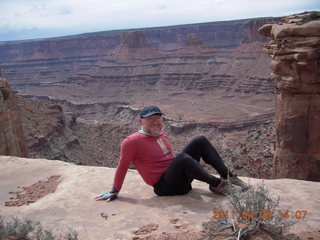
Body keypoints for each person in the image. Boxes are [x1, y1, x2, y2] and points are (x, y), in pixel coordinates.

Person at [95, 105, 250, 201]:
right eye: (151, 120)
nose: (156, 122)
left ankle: (229, 177)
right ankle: (218, 185)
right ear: (140, 122)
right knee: (182, 158)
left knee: (199, 140)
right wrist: (115, 190)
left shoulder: (161, 133)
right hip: (165, 188)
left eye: (159, 119)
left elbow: (167, 158)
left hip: (179, 179)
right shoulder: (132, 141)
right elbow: (122, 166)